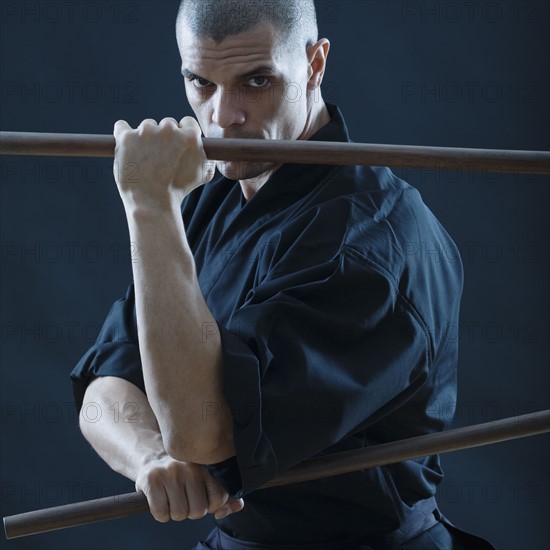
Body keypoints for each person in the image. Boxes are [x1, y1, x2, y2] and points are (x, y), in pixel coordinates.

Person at [71, 1, 496, 548]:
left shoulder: (368, 241)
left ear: (315, 65)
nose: (223, 116)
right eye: (200, 82)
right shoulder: (211, 197)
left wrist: (149, 207)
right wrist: (149, 458)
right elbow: (106, 390)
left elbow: (202, 433)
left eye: (256, 81)